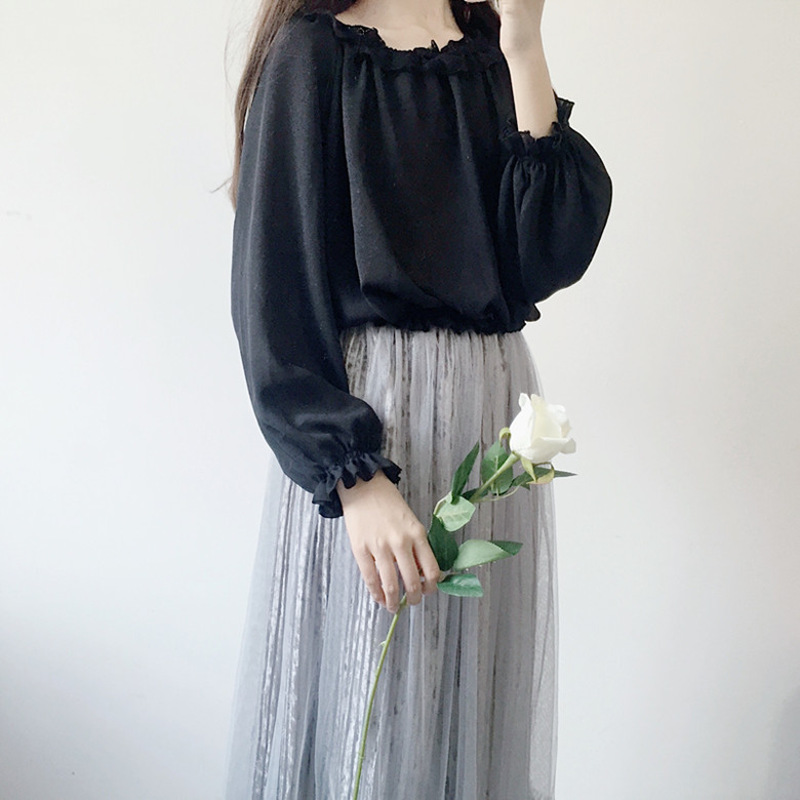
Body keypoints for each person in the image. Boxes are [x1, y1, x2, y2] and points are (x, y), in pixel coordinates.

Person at [224, 0, 612, 797]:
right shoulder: (315, 54)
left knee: (467, 720)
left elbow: (544, 254)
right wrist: (353, 476)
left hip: (490, 418)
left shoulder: (490, 52)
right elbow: (274, 290)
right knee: (365, 721)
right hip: (375, 431)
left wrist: (525, 45)